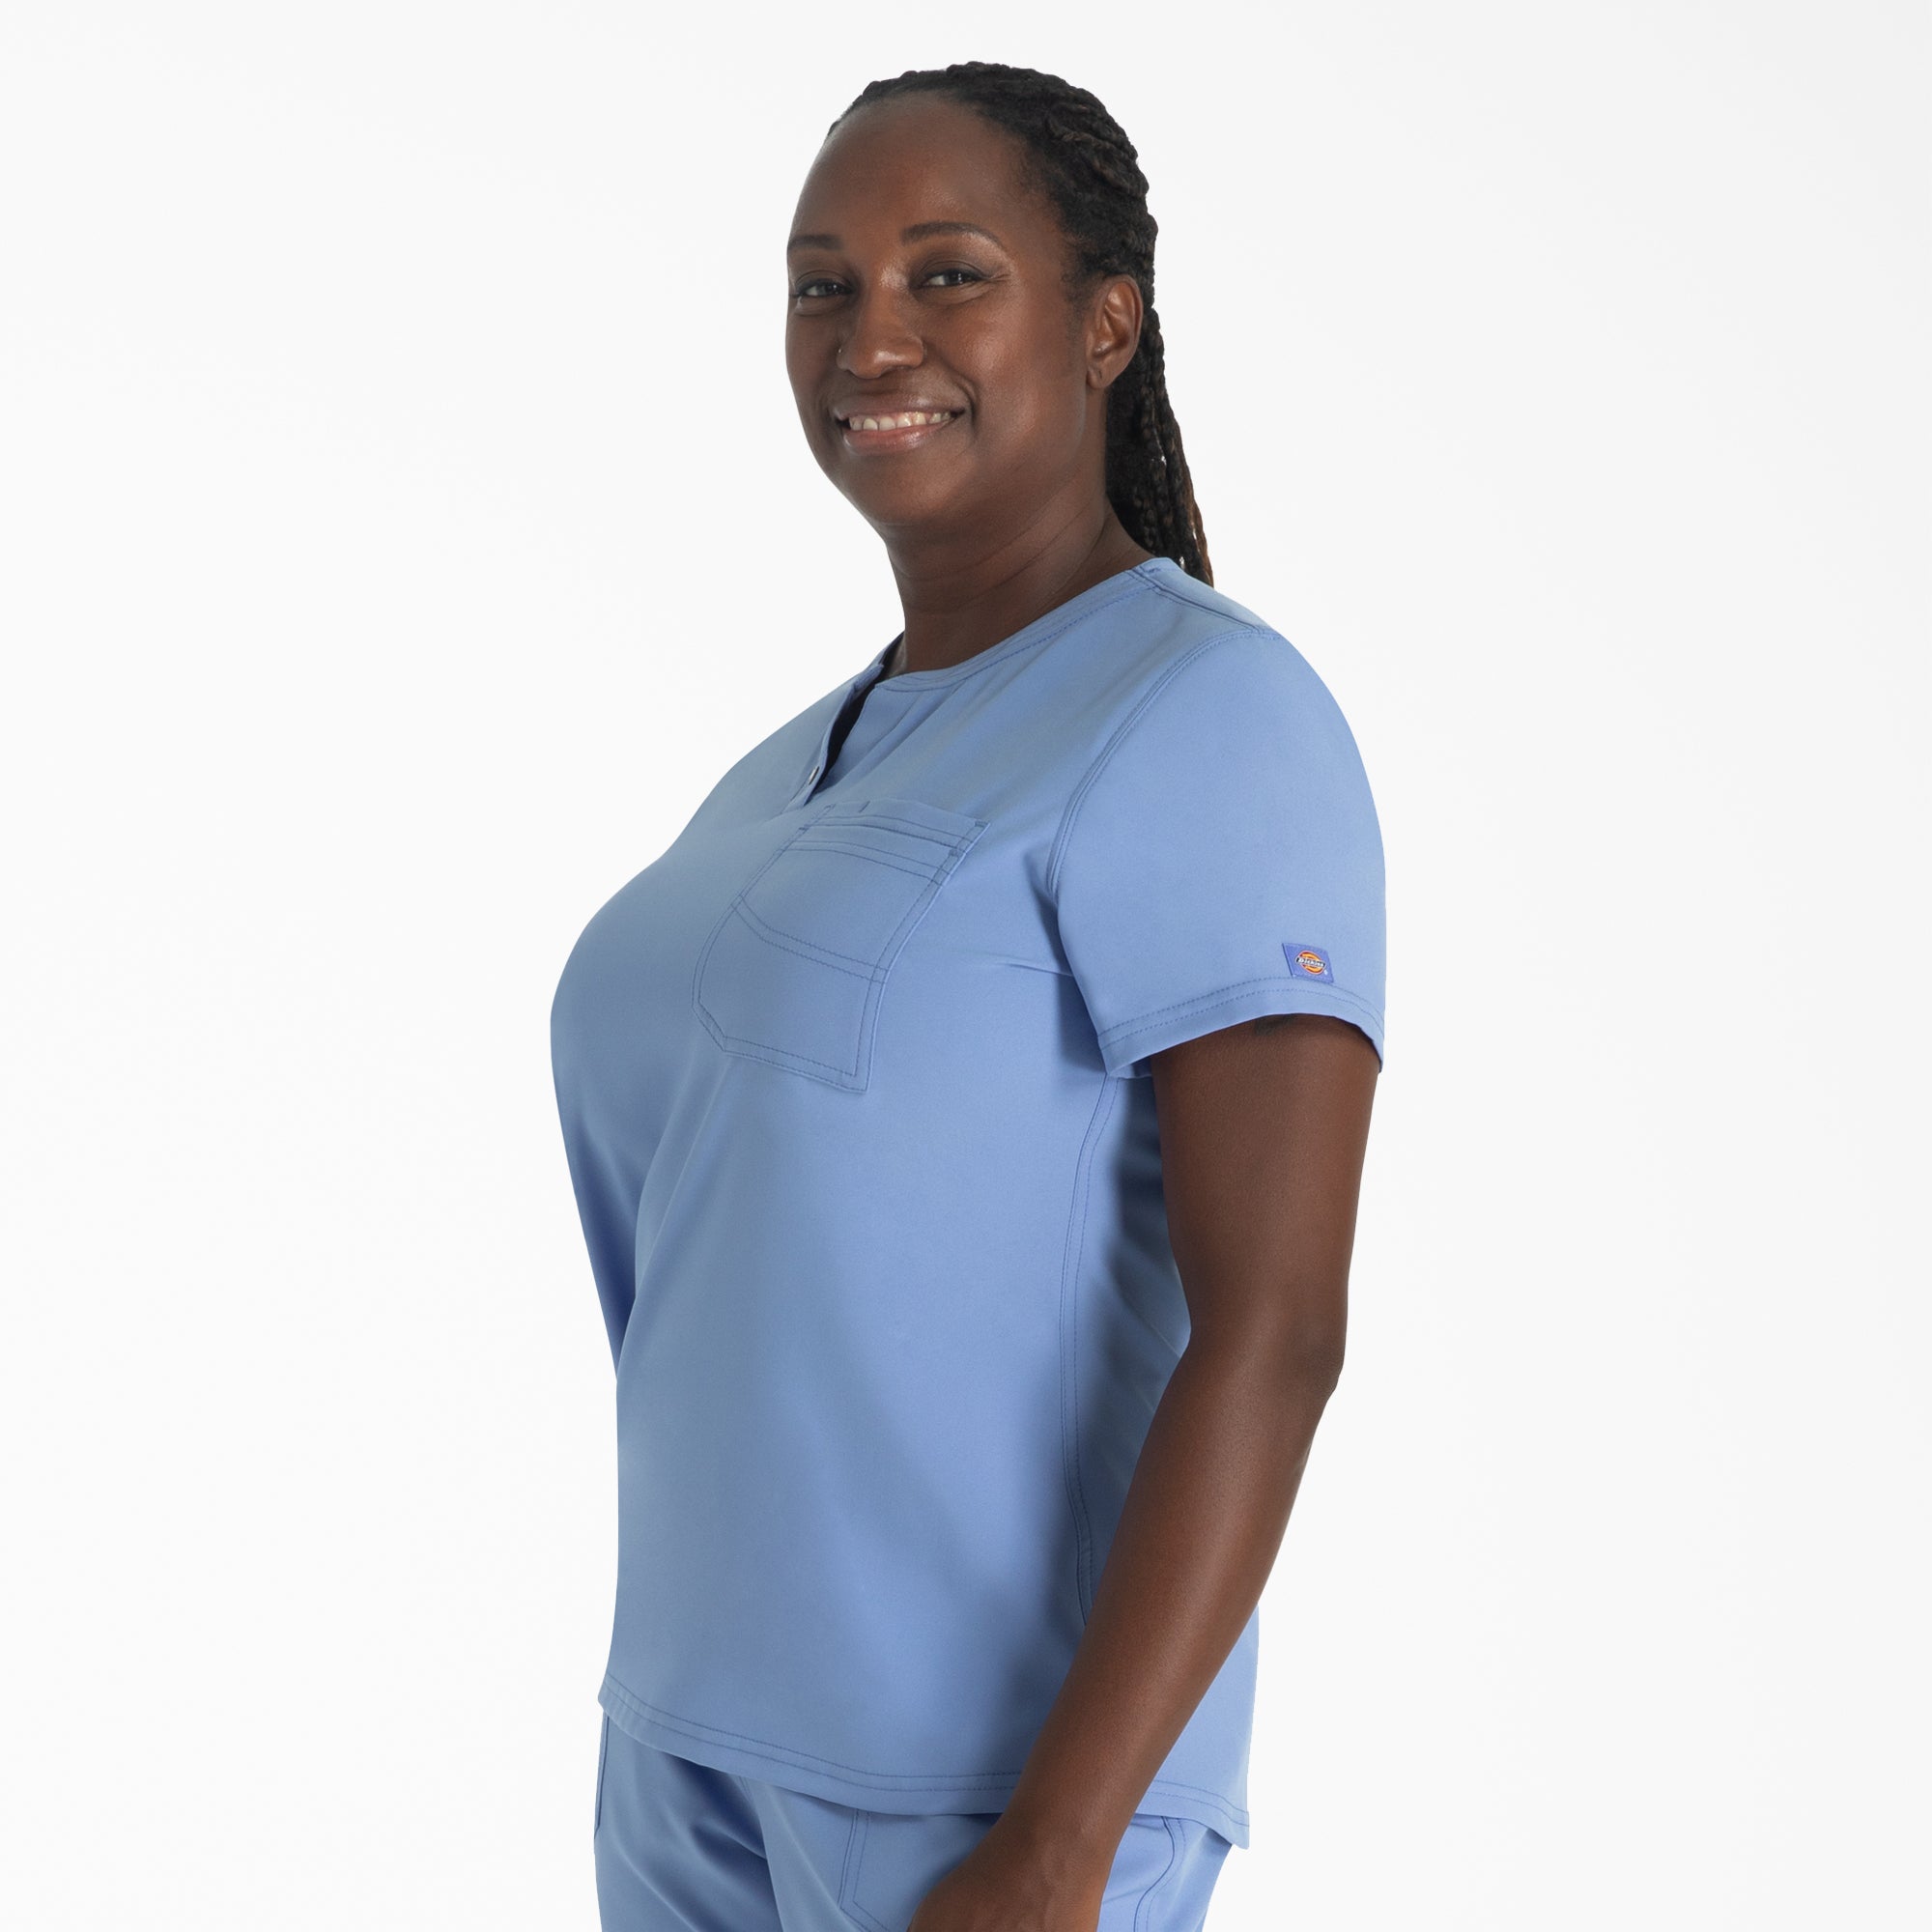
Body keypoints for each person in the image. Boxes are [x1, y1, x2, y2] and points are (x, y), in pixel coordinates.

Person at [550, 60, 1386, 1932]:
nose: (872, 337)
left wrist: (1059, 1848)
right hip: (686, 1763)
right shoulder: (788, 772)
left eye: (947, 274)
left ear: (1106, 321)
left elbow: (1274, 1329)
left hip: (979, 1801)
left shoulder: (1207, 715)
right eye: (822, 284)